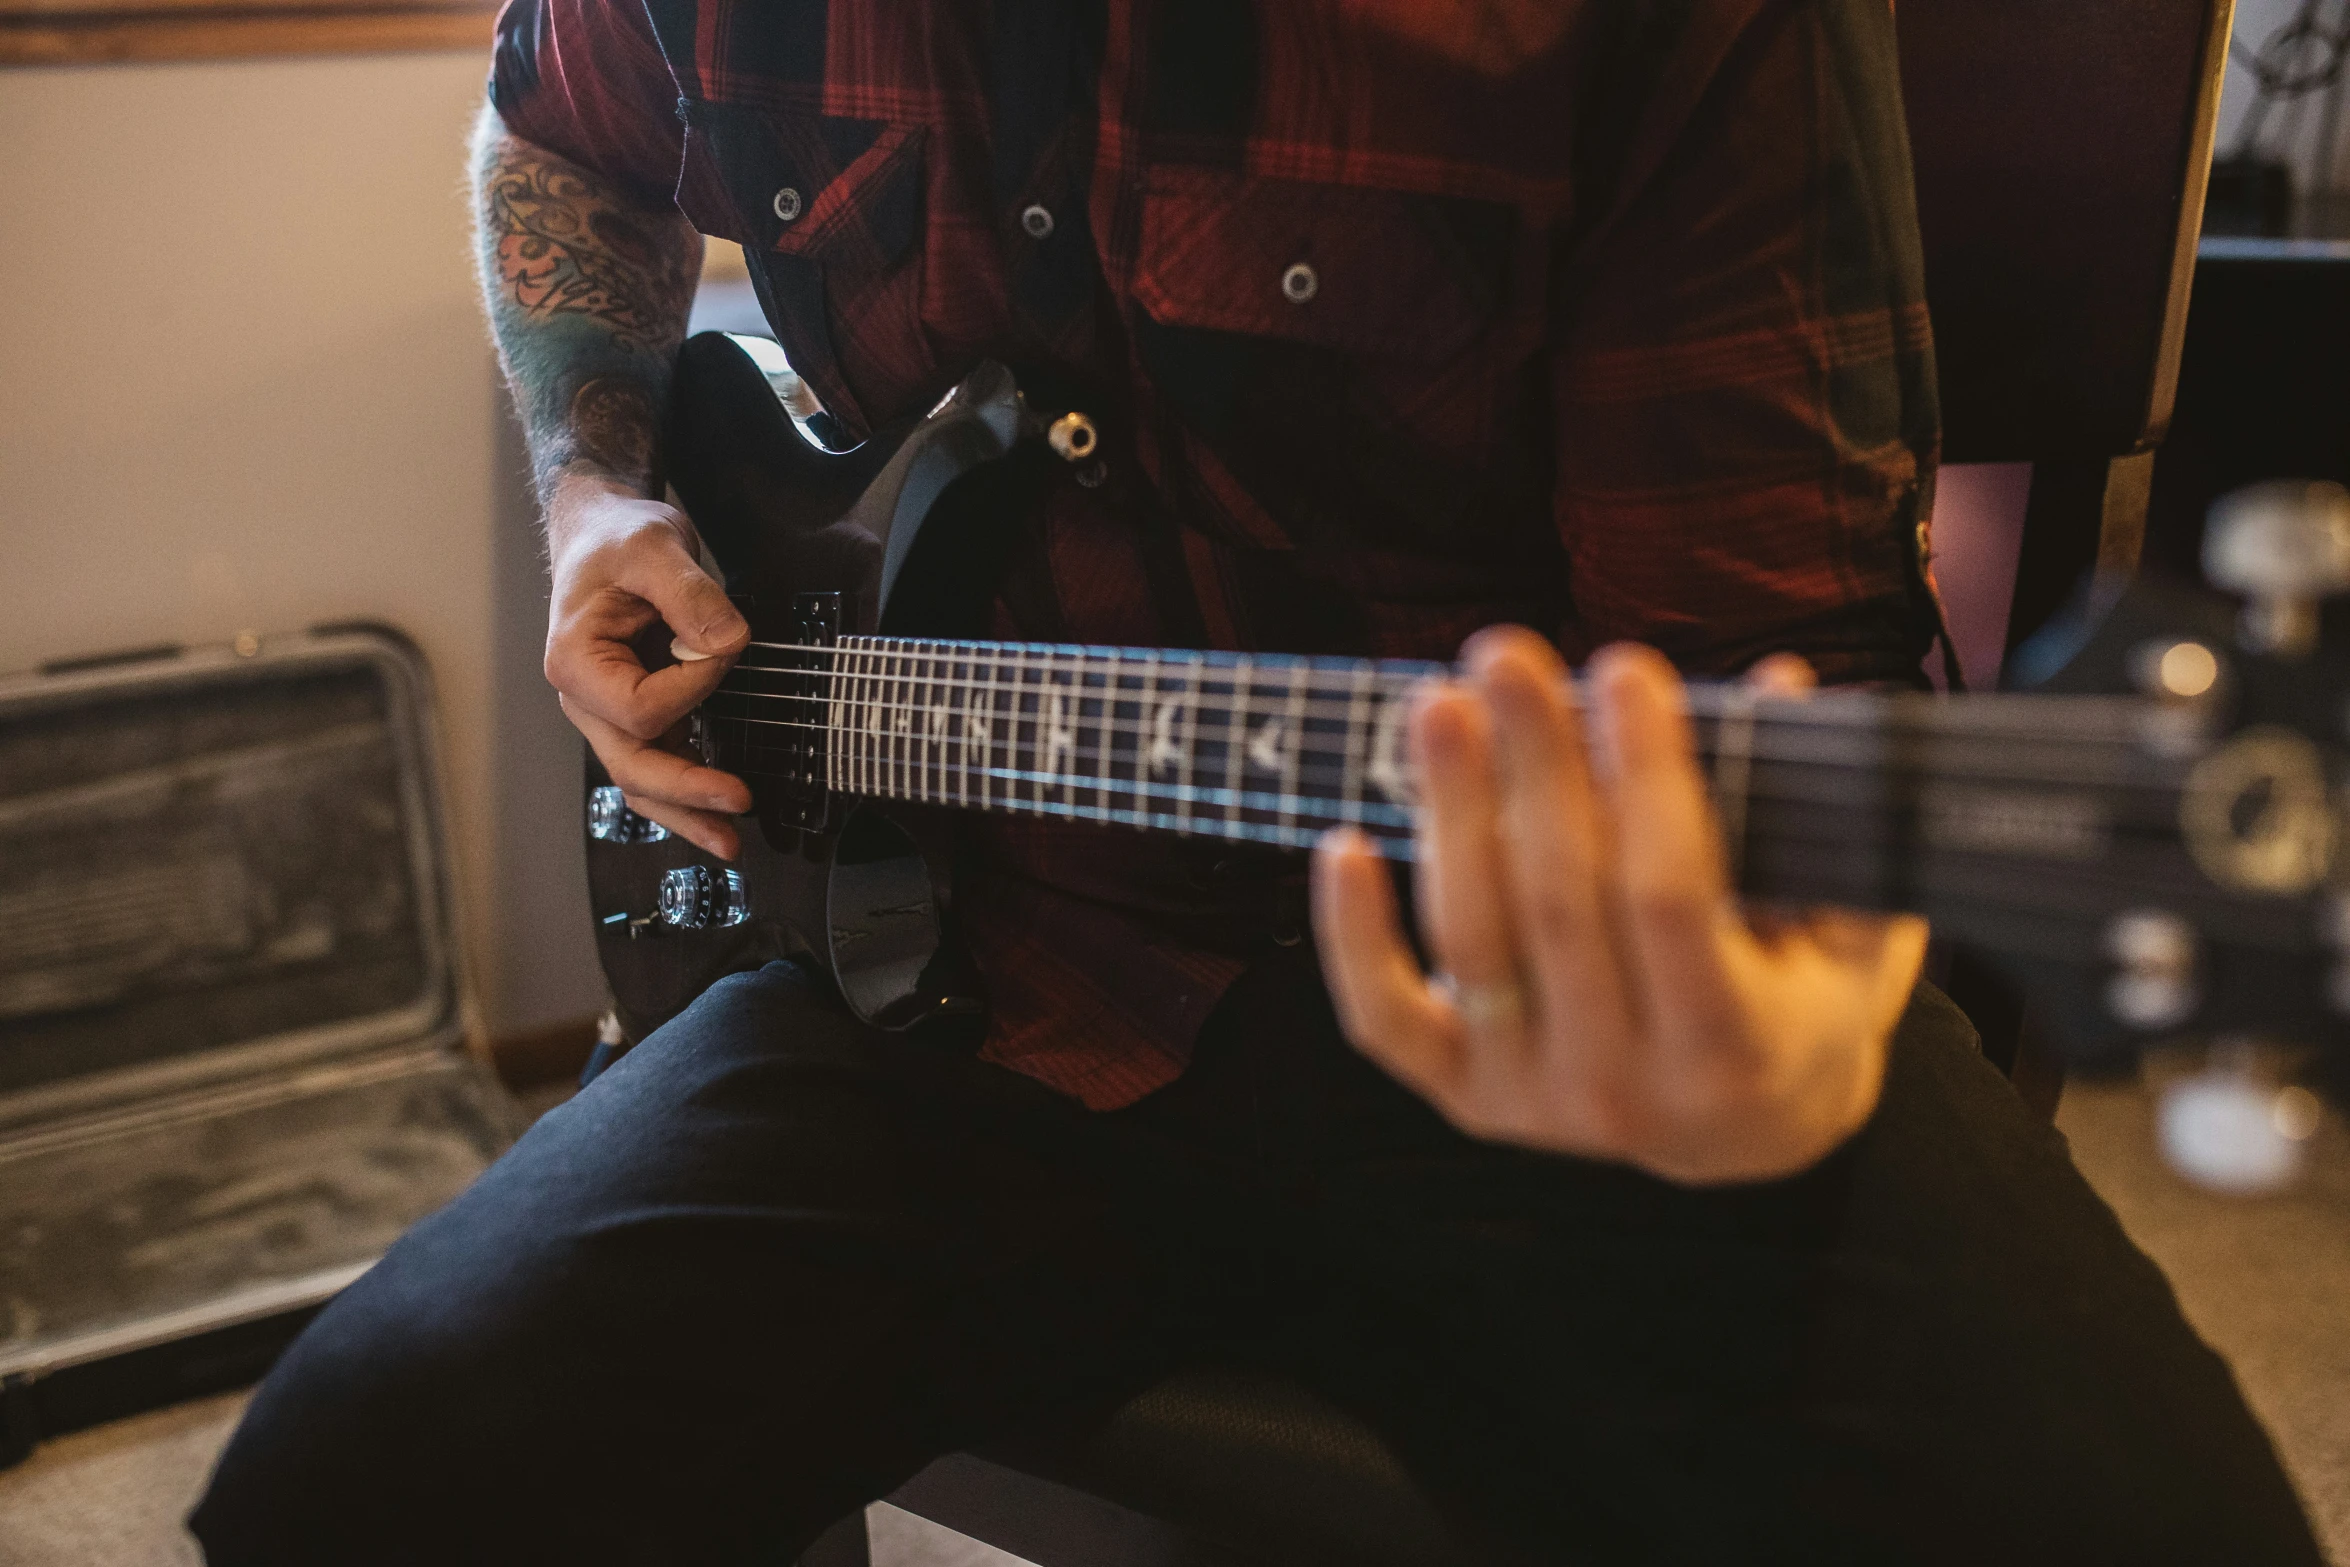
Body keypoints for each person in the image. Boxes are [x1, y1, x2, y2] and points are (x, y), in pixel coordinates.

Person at [191, 2, 2324, 1562]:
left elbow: (1759, 660)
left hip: (1533, 1023)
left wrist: (1766, 1050)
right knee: (354, 1481)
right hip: (948, 986)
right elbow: (548, 136)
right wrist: (591, 491)